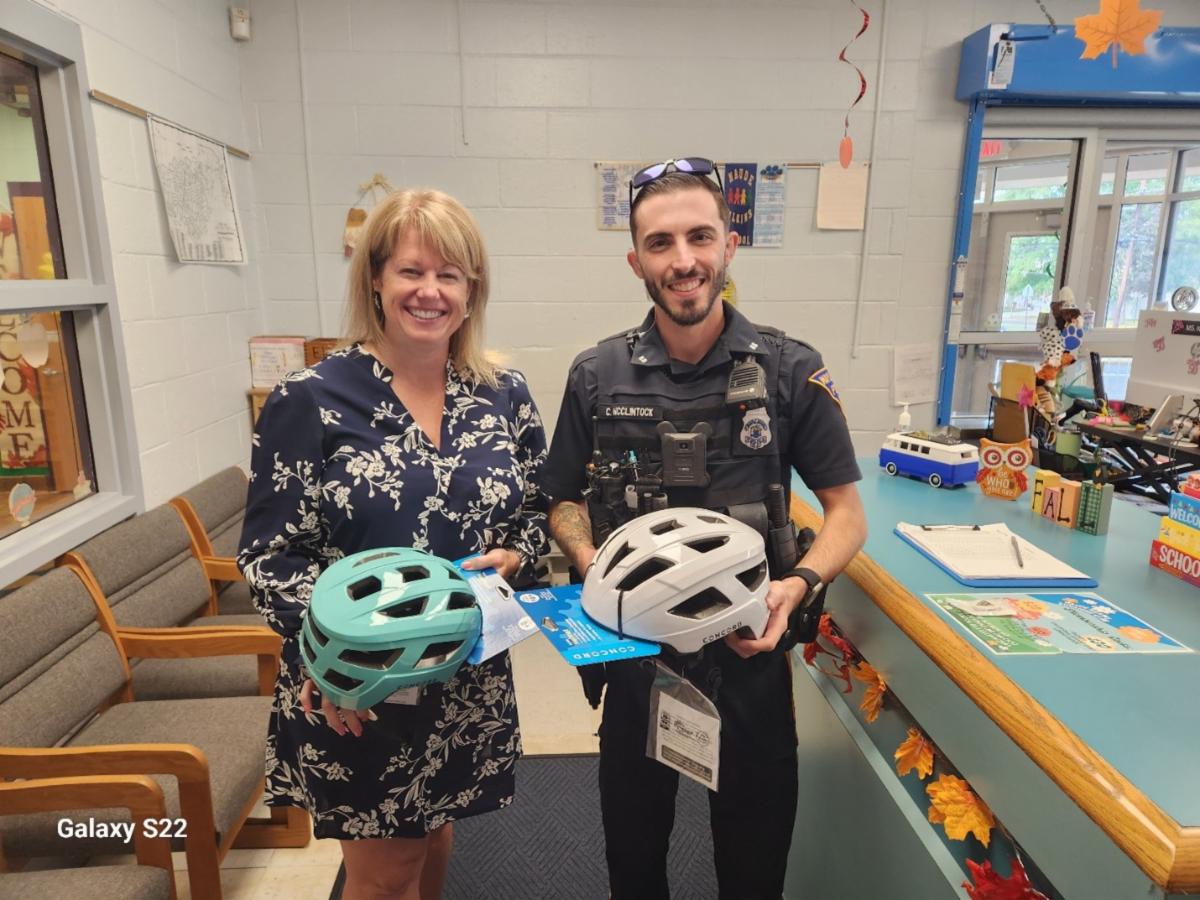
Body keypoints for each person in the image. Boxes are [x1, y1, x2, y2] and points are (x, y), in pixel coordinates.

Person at [542, 157, 868, 900]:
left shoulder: (790, 371)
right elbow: (560, 500)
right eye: (660, 243)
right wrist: (594, 563)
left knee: (754, 876)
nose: (682, 260)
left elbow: (847, 515)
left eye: (699, 237)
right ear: (636, 261)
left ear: (730, 246)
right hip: (636, 660)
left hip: (751, 657)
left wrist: (796, 585)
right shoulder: (596, 375)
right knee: (634, 871)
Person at [238, 188, 549, 900]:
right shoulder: (309, 398)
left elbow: (536, 508)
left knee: (434, 838)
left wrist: (517, 555)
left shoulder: (501, 393)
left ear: (471, 290)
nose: (429, 291)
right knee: (385, 875)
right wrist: (328, 655)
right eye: (411, 271)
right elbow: (269, 556)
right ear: (375, 279)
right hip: (359, 680)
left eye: (449, 274)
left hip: (466, 675)